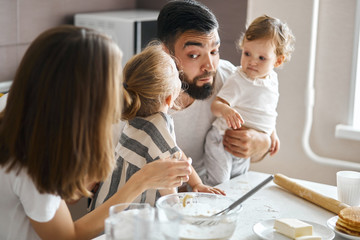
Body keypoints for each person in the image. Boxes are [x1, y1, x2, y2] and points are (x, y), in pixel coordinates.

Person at [0, 25, 192, 240]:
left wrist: (82, 182)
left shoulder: (16, 110)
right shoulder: (30, 162)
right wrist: (141, 181)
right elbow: (68, 236)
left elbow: (49, 200)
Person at [91, 43, 224, 209]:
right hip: (130, 211)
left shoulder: (136, 116)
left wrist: (197, 183)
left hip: (106, 202)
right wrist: (176, 210)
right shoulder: (159, 124)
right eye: (177, 76)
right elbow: (167, 179)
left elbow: (175, 151)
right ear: (169, 98)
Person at [157, 0, 272, 186]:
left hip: (218, 190)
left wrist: (261, 143)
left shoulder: (230, 77)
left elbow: (263, 124)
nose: (210, 66)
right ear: (166, 52)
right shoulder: (144, 94)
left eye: (214, 51)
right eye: (194, 55)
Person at [204, 15, 295, 185]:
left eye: (261, 58)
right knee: (220, 182)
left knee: (238, 183)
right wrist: (226, 110)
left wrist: (271, 134)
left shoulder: (272, 80)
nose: (252, 62)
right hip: (221, 139)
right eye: (247, 53)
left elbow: (267, 111)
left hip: (242, 146)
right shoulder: (239, 79)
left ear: (278, 60)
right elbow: (216, 106)